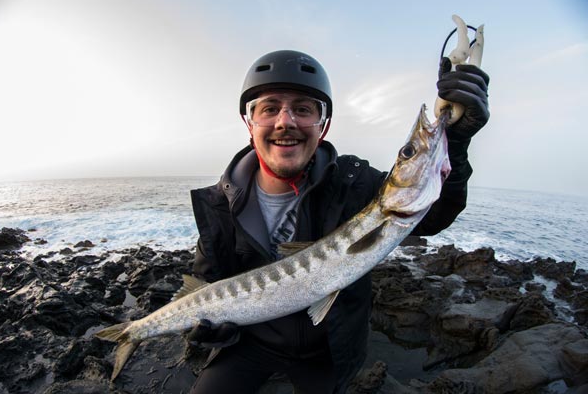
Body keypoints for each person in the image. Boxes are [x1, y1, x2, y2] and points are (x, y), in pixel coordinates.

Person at [187, 49, 490, 393]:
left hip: (329, 350)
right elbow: (206, 280)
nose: (285, 122)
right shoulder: (217, 204)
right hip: (249, 344)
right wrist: (207, 330)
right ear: (250, 123)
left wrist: (457, 139)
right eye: (270, 108)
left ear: (323, 125)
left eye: (303, 109)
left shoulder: (355, 182)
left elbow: (434, 215)